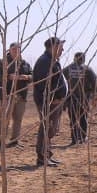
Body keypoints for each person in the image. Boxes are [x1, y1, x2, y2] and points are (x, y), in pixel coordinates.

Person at [32, 36, 68, 167]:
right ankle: (42, 157)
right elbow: (43, 85)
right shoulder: (44, 62)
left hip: (55, 102)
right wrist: (52, 99)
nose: (62, 50)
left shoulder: (52, 61)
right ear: (53, 47)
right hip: (49, 102)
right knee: (47, 128)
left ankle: (47, 154)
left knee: (51, 129)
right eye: (60, 47)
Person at [0, 42, 33, 147]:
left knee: (18, 119)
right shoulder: (3, 63)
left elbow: (33, 75)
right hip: (7, 96)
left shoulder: (25, 63)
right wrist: (8, 77)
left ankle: (15, 140)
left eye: (18, 49)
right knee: (5, 118)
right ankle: (1, 141)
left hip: (21, 95)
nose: (16, 51)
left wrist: (27, 77)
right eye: (14, 49)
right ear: (9, 50)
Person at [64, 51, 97, 145]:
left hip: (71, 98)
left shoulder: (67, 69)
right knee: (83, 118)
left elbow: (61, 80)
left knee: (73, 119)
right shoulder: (87, 69)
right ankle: (82, 137)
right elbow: (95, 83)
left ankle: (74, 138)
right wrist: (94, 96)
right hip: (83, 98)